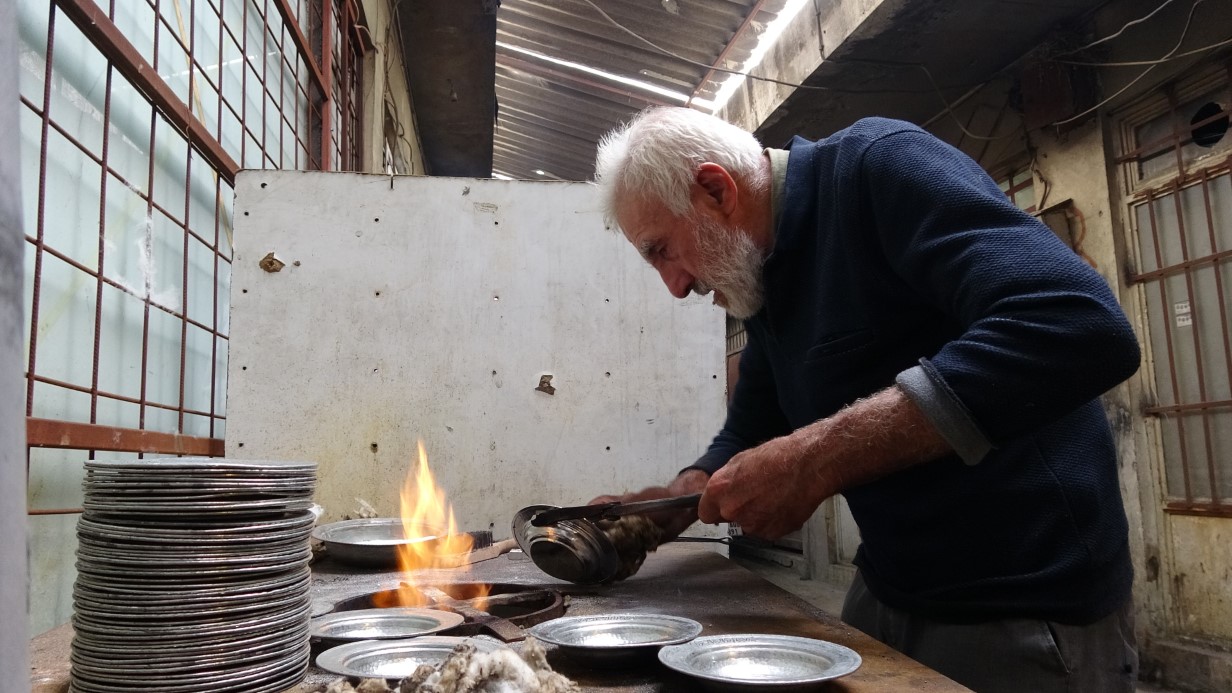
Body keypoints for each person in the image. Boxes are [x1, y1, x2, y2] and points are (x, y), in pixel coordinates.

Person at [589, 106, 1141, 693]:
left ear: (714, 189)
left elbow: (1079, 323)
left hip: (1024, 602)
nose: (675, 286)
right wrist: (671, 505)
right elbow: (749, 430)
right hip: (887, 588)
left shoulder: (876, 166)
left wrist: (818, 456)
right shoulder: (765, 281)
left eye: (661, 250)